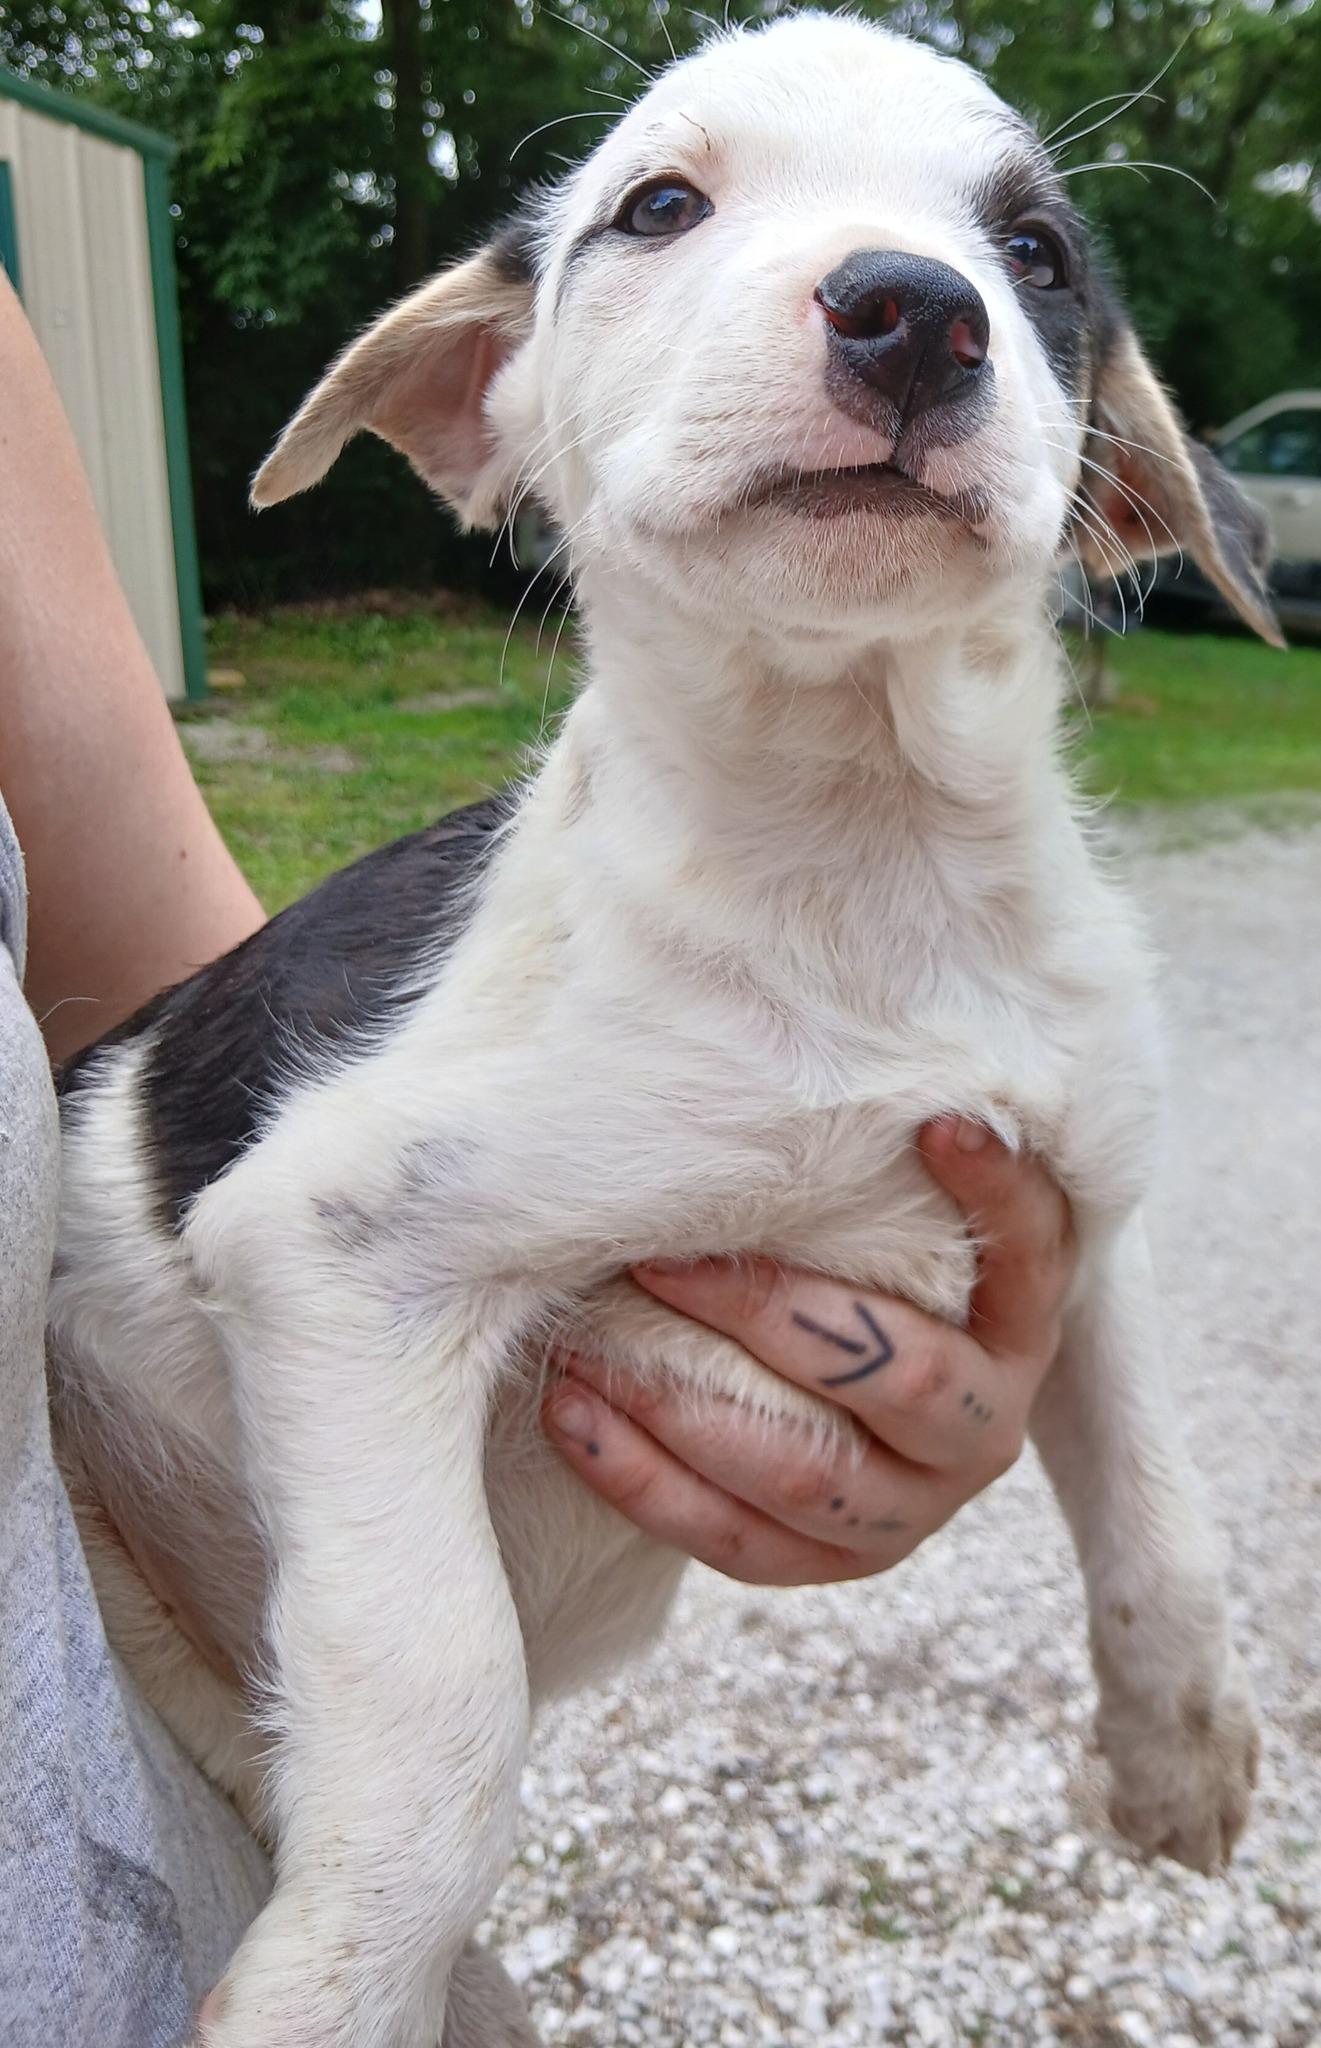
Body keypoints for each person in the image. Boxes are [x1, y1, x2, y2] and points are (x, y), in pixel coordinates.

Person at [0, 269, 1075, 2045]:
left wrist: (876, 1363)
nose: (912, 302)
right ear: (487, 394)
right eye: (663, 213)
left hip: (183, 1794)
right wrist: (406, 1845)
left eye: (1019, 265)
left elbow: (188, 1013)